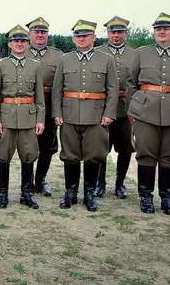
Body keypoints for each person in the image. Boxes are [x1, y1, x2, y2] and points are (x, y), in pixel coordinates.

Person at [127, 13, 170, 215]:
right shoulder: (142, 53)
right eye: (158, 29)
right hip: (145, 112)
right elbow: (132, 83)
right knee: (146, 155)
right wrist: (132, 109)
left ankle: (167, 198)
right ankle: (146, 197)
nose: (161, 32)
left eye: (166, 28)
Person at [52, 20, 118, 212]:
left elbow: (112, 90)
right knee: (70, 156)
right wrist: (57, 112)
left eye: (85, 36)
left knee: (94, 156)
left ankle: (89, 193)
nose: (81, 39)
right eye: (78, 36)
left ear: (94, 38)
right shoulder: (65, 59)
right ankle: (70, 192)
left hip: (96, 116)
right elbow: (57, 89)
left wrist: (109, 113)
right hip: (69, 115)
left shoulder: (106, 59)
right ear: (74, 39)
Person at [0, 25, 45, 209]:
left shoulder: (35, 66)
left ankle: (26, 194)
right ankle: (3, 193)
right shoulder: (1, 65)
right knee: (4, 155)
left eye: (23, 41)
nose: (19, 44)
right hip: (7, 116)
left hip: (29, 117)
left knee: (29, 155)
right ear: (10, 44)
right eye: (16, 41)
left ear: (28, 44)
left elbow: (40, 97)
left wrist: (40, 119)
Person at [93, 17, 136, 198]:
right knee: (101, 147)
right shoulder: (97, 53)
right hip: (103, 108)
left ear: (126, 33)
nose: (116, 35)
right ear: (107, 33)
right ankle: (99, 183)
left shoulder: (135, 54)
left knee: (126, 147)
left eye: (119, 32)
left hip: (126, 107)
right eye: (112, 32)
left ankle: (120, 183)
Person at [25, 17, 63, 197]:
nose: (40, 35)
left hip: (49, 105)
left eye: (43, 32)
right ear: (29, 34)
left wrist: (57, 111)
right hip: (26, 106)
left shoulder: (58, 56)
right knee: (27, 144)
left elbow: (62, 86)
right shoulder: (21, 52)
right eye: (36, 32)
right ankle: (27, 182)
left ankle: (40, 179)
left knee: (48, 145)